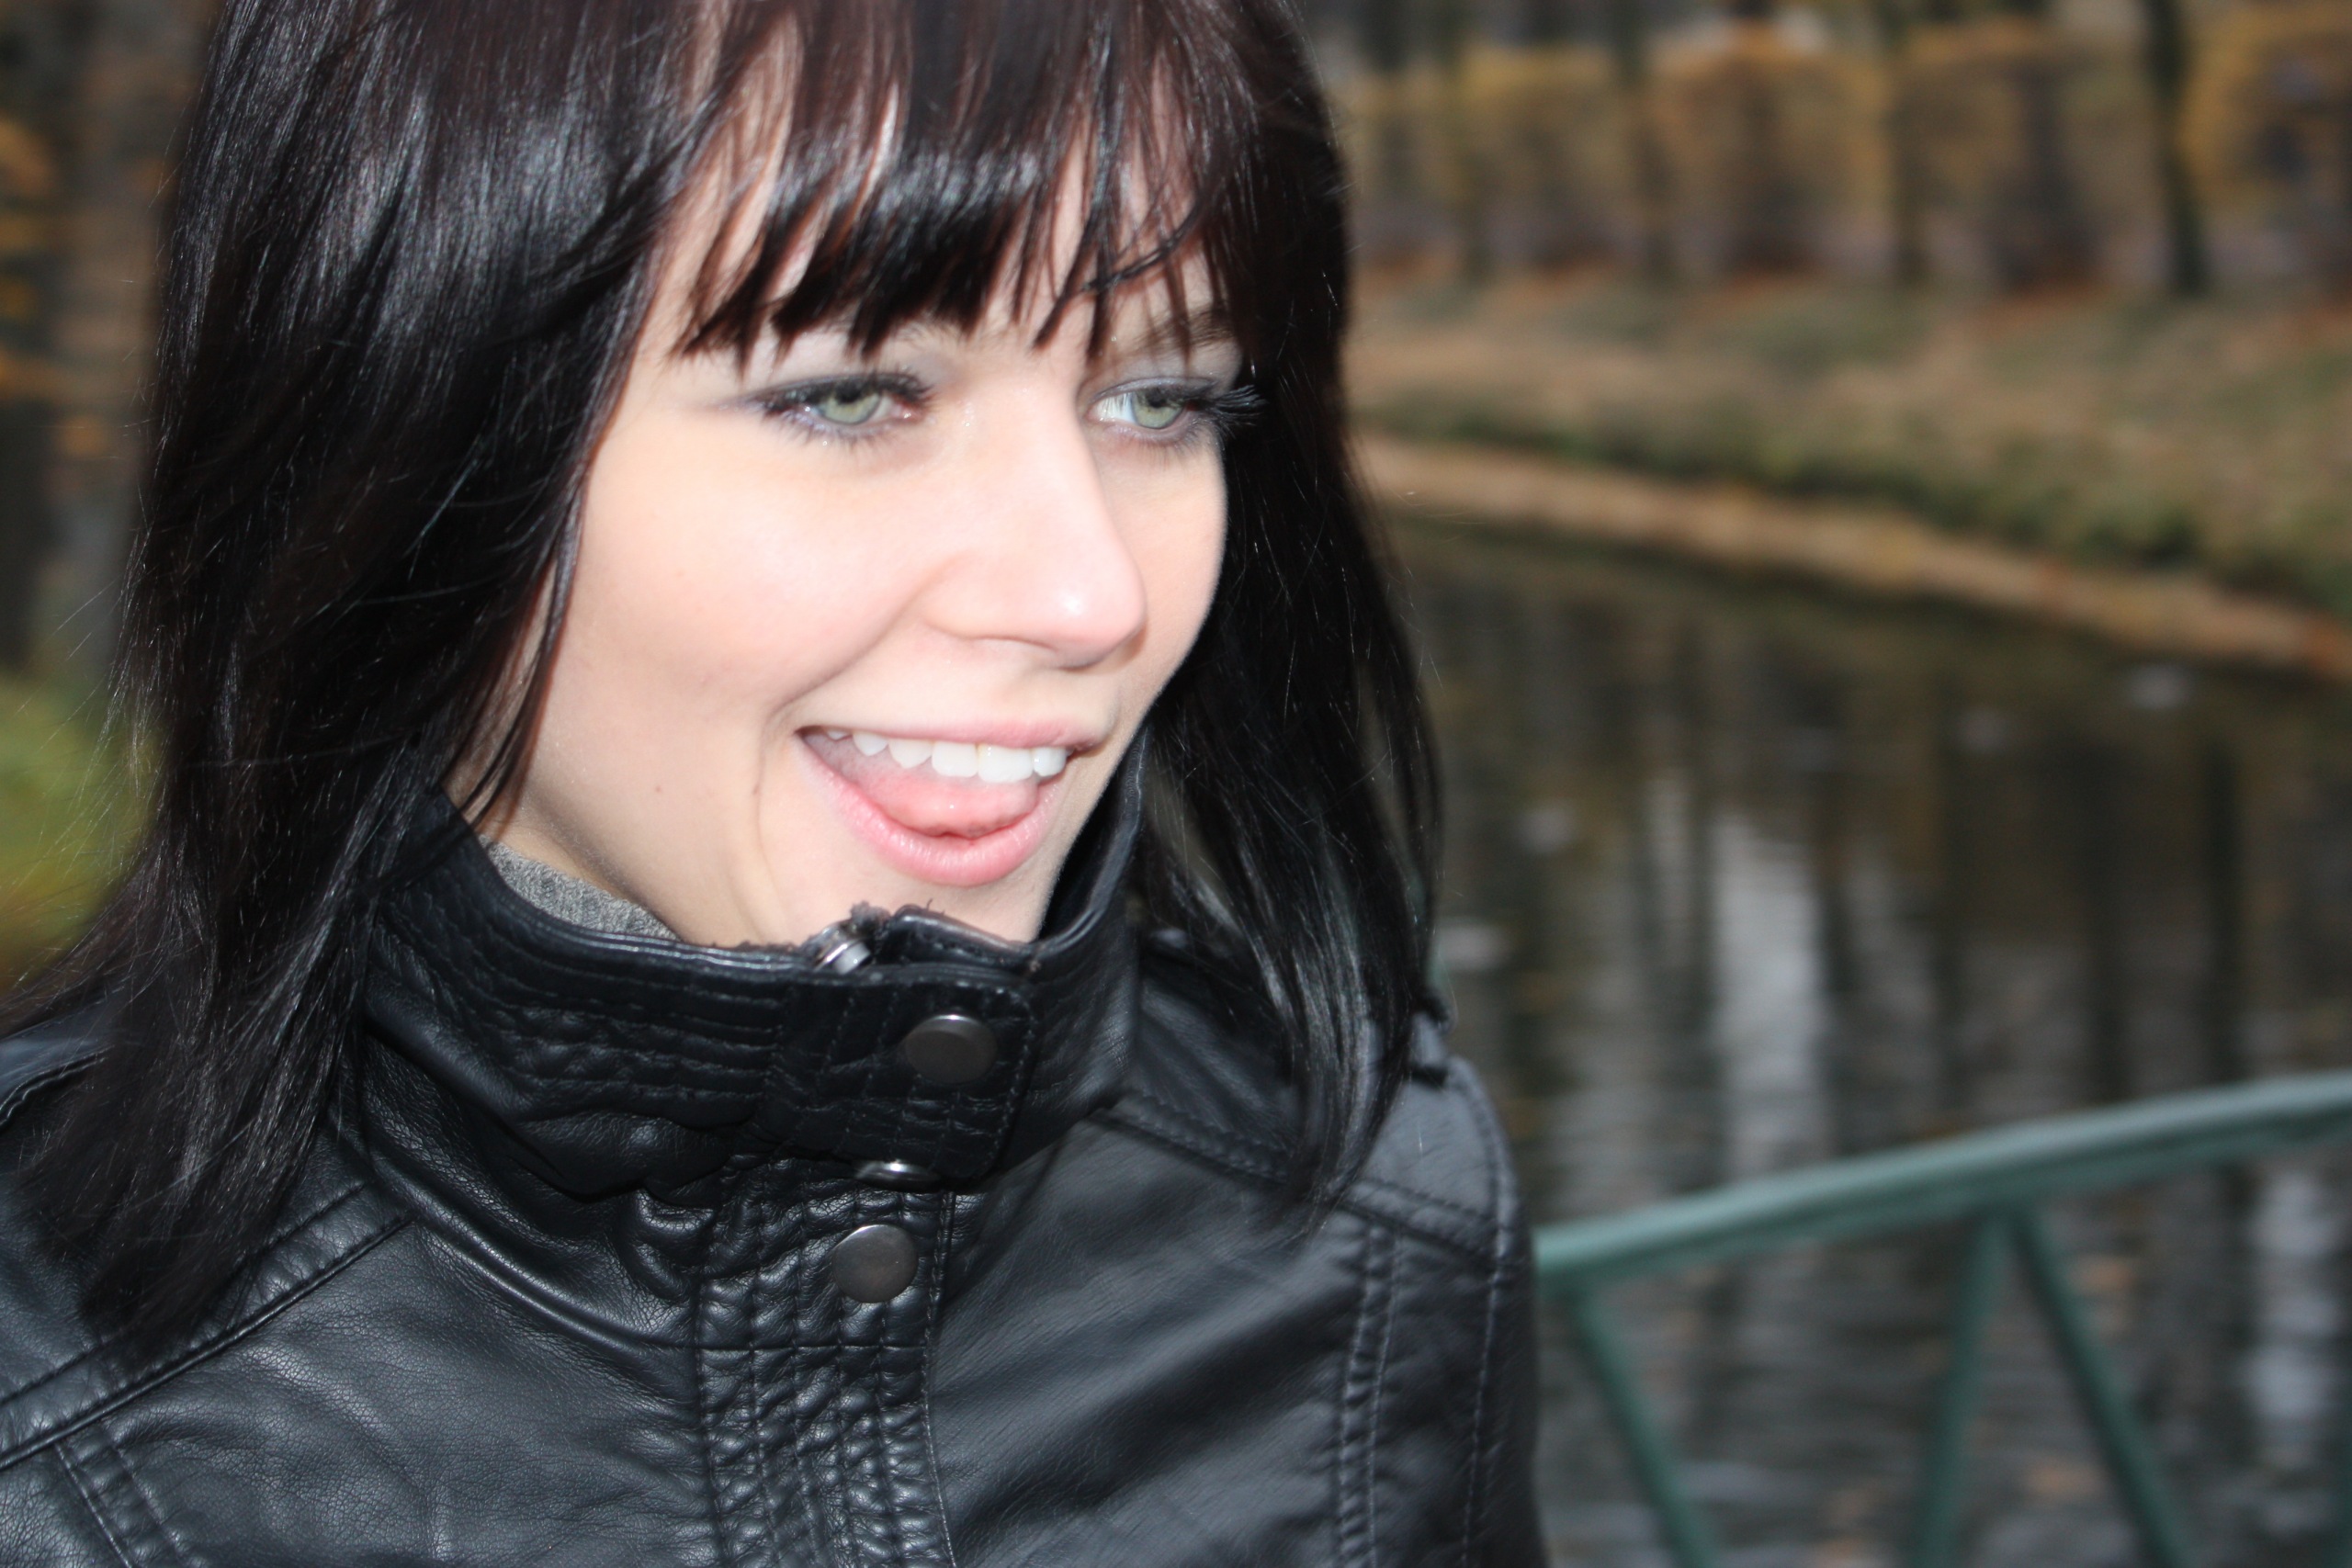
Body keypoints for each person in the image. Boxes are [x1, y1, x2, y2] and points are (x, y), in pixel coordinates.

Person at [0, 0, 1540, 1561]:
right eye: (852, 396)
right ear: (399, 436)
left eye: (1162, 401)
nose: (1091, 597)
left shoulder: (1374, 1218)